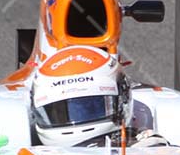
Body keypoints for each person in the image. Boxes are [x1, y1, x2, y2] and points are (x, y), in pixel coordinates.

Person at [30, 47, 167, 147]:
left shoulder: (146, 146)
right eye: (59, 112)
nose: (78, 118)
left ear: (123, 98)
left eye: (92, 106)